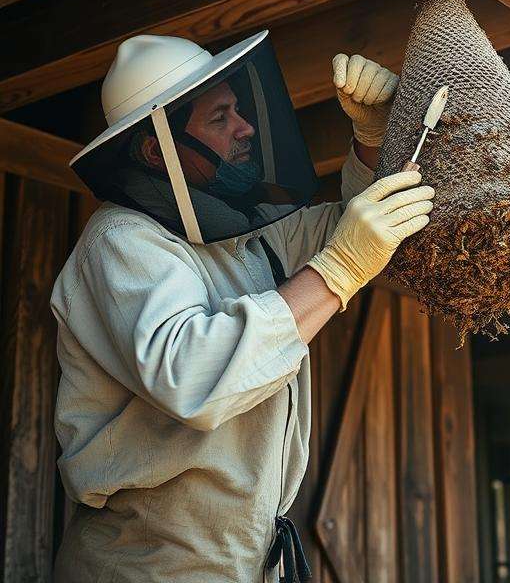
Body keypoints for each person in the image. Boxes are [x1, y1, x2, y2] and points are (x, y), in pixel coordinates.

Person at [51, 31, 431, 582]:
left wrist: (373, 139)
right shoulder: (123, 241)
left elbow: (355, 228)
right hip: (151, 567)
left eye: (238, 111)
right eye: (221, 117)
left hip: (244, 563)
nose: (245, 127)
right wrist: (339, 270)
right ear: (158, 149)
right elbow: (190, 376)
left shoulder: (233, 238)